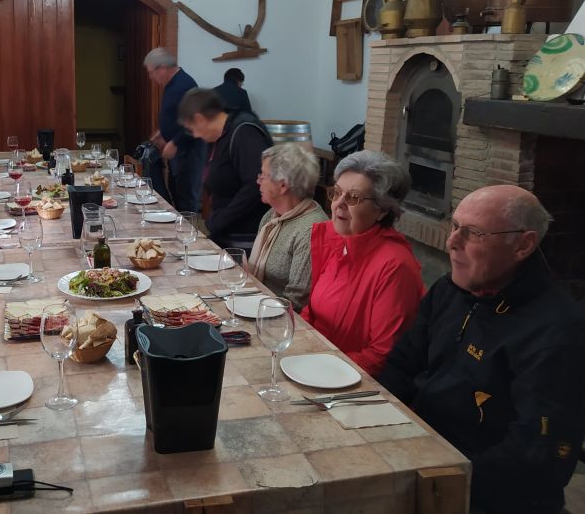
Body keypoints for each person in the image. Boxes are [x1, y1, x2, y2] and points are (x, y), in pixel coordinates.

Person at [379, 185, 585, 514]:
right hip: (420, 453)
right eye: (454, 225)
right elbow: (402, 364)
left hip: (483, 493)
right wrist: (376, 425)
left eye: (473, 233)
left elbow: (536, 457)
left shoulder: (559, 330)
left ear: (524, 245)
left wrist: (436, 483)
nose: (451, 242)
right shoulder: (450, 289)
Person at [302, 150, 424, 377]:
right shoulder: (337, 240)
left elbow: (382, 355)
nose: (338, 204)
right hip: (313, 364)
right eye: (337, 193)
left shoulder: (395, 267)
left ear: (382, 210)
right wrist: (296, 343)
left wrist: (317, 367)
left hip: (350, 382)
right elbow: (313, 312)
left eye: (353, 198)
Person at [178, 87, 272, 250]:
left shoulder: (244, 133)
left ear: (200, 119)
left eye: (191, 129)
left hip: (246, 240)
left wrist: (220, 219)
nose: (194, 135)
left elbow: (254, 186)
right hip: (226, 233)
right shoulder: (219, 136)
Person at [248, 143, 328, 309]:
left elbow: (296, 302)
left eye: (263, 175)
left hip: (279, 319)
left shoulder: (310, 230)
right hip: (257, 304)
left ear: (283, 185)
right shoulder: (272, 216)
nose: (258, 181)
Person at [143, 47, 206, 212]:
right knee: (176, 192)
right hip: (179, 151)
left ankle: (189, 234)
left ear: (162, 67)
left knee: (186, 198)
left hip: (188, 151)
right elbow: (178, 116)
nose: (151, 77)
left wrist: (175, 142)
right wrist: (162, 132)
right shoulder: (172, 85)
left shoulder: (185, 84)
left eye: (151, 72)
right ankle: (179, 230)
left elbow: (195, 122)